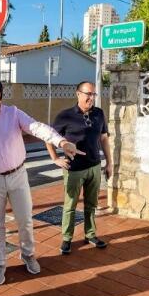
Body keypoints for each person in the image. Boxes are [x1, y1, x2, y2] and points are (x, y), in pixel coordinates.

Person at [0, 76, 83, 285]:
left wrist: (61, 141)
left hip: (18, 176)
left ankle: (27, 254)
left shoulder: (13, 113)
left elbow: (36, 127)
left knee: (25, 219)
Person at [46, 81, 113, 254]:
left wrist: (109, 162)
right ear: (78, 94)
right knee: (70, 206)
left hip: (94, 167)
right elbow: (49, 137)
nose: (91, 97)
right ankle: (67, 239)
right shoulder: (65, 116)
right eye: (88, 94)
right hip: (73, 169)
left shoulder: (99, 113)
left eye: (93, 94)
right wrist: (55, 159)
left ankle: (90, 234)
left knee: (92, 205)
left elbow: (104, 139)